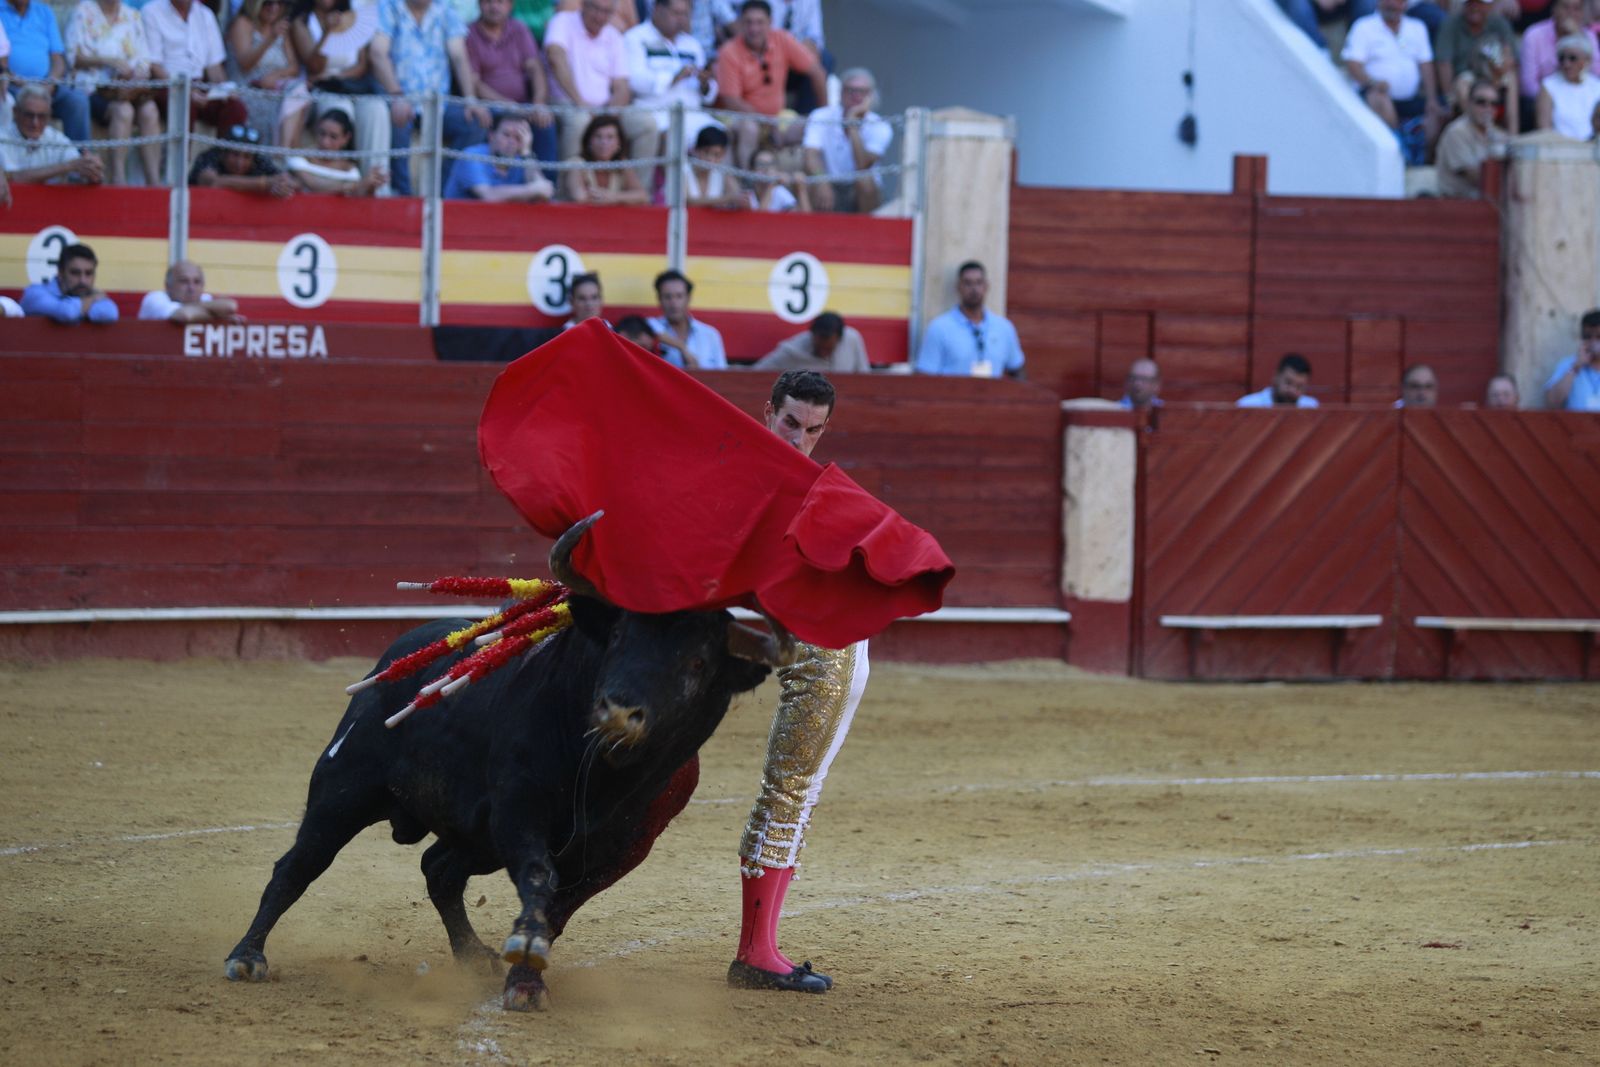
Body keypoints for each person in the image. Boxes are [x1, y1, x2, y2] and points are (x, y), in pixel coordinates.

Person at [727, 368, 863, 996]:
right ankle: (757, 954)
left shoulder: (814, 484)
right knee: (788, 795)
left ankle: (763, 947)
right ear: (767, 413)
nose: (798, 439)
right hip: (815, 660)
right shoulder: (750, 479)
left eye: (812, 430)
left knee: (798, 796)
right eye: (789, 423)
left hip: (835, 657)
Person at [369, 0, 491, 195]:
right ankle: (404, 195)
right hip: (399, 97)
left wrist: (470, 99)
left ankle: (442, 192)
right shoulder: (389, 6)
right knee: (399, 121)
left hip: (438, 104)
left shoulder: (445, 9)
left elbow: (459, 56)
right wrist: (397, 95)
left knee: (476, 123)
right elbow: (377, 53)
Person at [281, 0, 390, 182]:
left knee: (376, 109)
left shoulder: (355, 17)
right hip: (320, 91)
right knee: (340, 108)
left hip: (349, 86)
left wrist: (337, 78)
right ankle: (338, 181)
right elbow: (314, 67)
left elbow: (361, 65)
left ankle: (376, 183)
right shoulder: (302, 22)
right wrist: (327, 33)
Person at [715, 0, 825, 167]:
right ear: (741, 24)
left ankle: (794, 185)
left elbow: (817, 72)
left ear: (770, 23)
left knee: (811, 127)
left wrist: (825, 114)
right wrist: (767, 123)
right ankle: (749, 184)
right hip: (738, 118)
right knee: (749, 128)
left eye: (760, 22)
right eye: (748, 22)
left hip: (775, 118)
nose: (754, 29)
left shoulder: (781, 38)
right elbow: (732, 101)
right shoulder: (729, 51)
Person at [65, 0, 164, 185]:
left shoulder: (132, 15)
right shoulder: (82, 11)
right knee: (123, 111)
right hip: (93, 88)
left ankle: (154, 181)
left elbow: (144, 61)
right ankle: (119, 179)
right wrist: (107, 61)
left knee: (150, 110)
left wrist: (136, 77)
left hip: (129, 88)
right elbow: (73, 57)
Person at [542, 0, 651, 161]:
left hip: (605, 110)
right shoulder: (562, 21)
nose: (600, 16)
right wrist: (581, 103)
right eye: (596, 9)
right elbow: (556, 59)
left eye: (606, 12)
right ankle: (569, 184)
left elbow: (622, 85)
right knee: (580, 121)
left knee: (646, 125)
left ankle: (639, 186)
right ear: (584, 5)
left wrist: (609, 116)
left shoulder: (613, 35)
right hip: (567, 102)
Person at [622, 0, 718, 166]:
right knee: (674, 137)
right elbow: (635, 81)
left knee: (720, 135)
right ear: (658, 10)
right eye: (676, 13)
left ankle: (717, 192)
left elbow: (709, 94)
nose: (681, 19)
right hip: (655, 114)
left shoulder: (692, 44)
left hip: (693, 115)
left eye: (685, 14)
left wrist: (705, 83)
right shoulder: (635, 38)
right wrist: (673, 78)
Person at [465, 0, 557, 165]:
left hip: (523, 105)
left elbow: (535, 68)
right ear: (478, 4)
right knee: (479, 122)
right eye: (488, 2)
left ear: (510, 5)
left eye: (500, 2)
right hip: (490, 106)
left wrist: (538, 103)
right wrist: (506, 104)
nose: (494, 6)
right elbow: (475, 82)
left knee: (545, 122)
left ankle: (547, 186)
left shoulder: (519, 29)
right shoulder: (469, 33)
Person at [141, 0, 251, 135]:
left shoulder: (206, 15)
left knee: (235, 108)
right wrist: (186, 90)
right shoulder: (152, 11)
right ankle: (184, 156)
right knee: (184, 105)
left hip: (200, 86)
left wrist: (224, 90)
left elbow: (214, 66)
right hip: (168, 85)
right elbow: (154, 66)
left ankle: (223, 155)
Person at [1342, 0, 1443, 137]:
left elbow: (1426, 65)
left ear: (1405, 4)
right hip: (1377, 95)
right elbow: (1353, 64)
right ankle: (1398, 145)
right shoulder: (1364, 26)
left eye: (1399, 1)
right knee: (1378, 98)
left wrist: (1432, 98)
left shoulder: (1417, 27)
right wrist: (1373, 82)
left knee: (1435, 112)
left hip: (1410, 98)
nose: (1393, 5)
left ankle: (1424, 155)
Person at [913, 260, 1025, 379]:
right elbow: (924, 377)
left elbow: (1018, 370)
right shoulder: (939, 328)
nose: (974, 289)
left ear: (986, 286)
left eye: (978, 283)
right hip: (952, 396)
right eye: (968, 283)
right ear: (958, 287)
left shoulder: (1004, 328)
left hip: (992, 396)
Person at [801, 66, 890, 214]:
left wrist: (853, 125)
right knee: (809, 179)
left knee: (865, 181)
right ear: (841, 92)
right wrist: (821, 180)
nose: (856, 96)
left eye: (862, 92)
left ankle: (866, 232)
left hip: (859, 190)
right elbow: (810, 155)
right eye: (851, 90)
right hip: (828, 182)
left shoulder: (881, 126)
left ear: (871, 96)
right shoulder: (820, 116)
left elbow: (863, 166)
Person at [1, 0, 92, 142]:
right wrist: (16, 80)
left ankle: (81, 159)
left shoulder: (44, 11)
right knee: (8, 102)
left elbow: (58, 59)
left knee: (77, 101)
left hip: (46, 85)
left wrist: (49, 84)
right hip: (13, 86)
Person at [1, 83, 105, 184]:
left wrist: (91, 168)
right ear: (15, 112)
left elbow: (78, 165)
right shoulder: (3, 137)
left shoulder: (55, 138)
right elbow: (10, 178)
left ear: (49, 116)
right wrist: (68, 166)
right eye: (29, 115)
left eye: (41, 116)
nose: (35, 123)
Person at [1436, 0, 1519, 127]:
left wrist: (1500, 69)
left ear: (1490, 6)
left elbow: (1511, 58)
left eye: (1480, 3)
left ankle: (1513, 135)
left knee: (1511, 78)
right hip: (1466, 77)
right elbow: (1444, 63)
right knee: (1462, 84)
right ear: (1463, 5)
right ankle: (1478, 133)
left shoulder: (1499, 23)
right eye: (1470, 3)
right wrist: (1449, 98)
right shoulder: (1450, 24)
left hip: (1494, 73)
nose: (1475, 7)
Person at [227, 0, 300, 140]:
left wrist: (275, 76)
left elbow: (294, 67)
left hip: (274, 88)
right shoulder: (243, 23)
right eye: (268, 3)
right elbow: (245, 63)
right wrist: (270, 38)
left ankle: (284, 153)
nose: (274, 8)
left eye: (279, 3)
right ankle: (281, 154)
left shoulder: (281, 29)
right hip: (247, 88)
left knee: (299, 95)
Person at [441, 109, 552, 199]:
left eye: (518, 137)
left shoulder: (521, 159)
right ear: (491, 136)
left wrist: (526, 152)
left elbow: (545, 191)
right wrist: (532, 190)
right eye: (506, 135)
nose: (511, 141)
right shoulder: (472, 156)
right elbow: (489, 195)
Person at [285, 106, 387, 192]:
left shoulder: (350, 169)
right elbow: (314, 185)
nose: (325, 142)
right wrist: (356, 185)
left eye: (333, 137)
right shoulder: (299, 158)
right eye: (322, 133)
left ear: (346, 138)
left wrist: (371, 186)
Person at [1436, 77, 1508, 199]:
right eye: (1481, 102)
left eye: (1494, 104)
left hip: (1489, 204)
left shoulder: (1500, 135)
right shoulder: (1457, 132)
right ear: (1469, 103)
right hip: (1458, 205)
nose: (1488, 108)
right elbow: (1473, 176)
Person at [1519, 0, 1599, 106]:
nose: (1571, 13)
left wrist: (1578, 37)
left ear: (1582, 12)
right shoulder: (1534, 35)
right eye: (1565, 7)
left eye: (1576, 9)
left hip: (1582, 102)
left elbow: (1597, 77)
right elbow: (1528, 86)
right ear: (1554, 9)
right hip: (1544, 104)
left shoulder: (1588, 37)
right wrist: (1557, 102)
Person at [188, 121, 296, 196]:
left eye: (247, 157)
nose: (240, 163)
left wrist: (282, 186)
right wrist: (265, 183)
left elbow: (289, 181)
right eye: (235, 155)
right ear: (224, 152)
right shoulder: (210, 156)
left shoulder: (259, 160)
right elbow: (212, 182)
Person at [647, 268, 727, 369]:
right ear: (659, 299)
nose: (673, 303)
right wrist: (682, 347)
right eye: (667, 297)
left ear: (688, 298)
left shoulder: (710, 335)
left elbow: (722, 375)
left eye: (679, 296)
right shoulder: (649, 327)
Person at [21, 241, 118, 323]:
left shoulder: (89, 296)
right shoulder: (35, 293)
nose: (82, 280)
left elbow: (110, 312)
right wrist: (92, 300)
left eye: (88, 273)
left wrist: (83, 306)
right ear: (60, 272)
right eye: (75, 273)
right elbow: (67, 313)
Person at [561, 112, 647, 203]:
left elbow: (643, 196)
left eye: (610, 137)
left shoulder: (622, 164)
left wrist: (614, 197)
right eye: (598, 136)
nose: (604, 142)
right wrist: (613, 197)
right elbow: (579, 197)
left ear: (619, 143)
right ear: (589, 141)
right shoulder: (576, 163)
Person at [752, 311, 870, 373]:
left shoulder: (852, 339)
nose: (823, 352)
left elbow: (864, 377)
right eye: (819, 348)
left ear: (839, 339)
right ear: (811, 335)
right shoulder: (792, 350)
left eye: (828, 349)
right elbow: (757, 372)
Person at [1536, 33, 1600, 139]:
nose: (1566, 64)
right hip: (1559, 149)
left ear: (1587, 60)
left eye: (1572, 58)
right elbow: (1544, 130)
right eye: (1562, 58)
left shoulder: (1597, 86)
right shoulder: (1548, 86)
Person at [137, 258, 241, 321]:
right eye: (184, 281)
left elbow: (231, 306)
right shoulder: (155, 299)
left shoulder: (205, 298)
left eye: (197, 282)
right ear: (168, 286)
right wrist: (217, 317)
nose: (191, 288)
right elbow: (185, 316)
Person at [1542, 308, 1600, 410]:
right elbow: (1551, 403)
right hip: (1576, 425)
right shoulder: (1569, 364)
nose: (1593, 342)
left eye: (1599, 337)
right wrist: (1576, 367)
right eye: (1587, 336)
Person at [681, 123, 744, 209]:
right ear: (695, 150)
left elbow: (737, 196)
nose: (710, 159)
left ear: (723, 155)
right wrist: (726, 199)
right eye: (706, 152)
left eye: (717, 155)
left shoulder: (723, 172)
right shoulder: (682, 169)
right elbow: (688, 201)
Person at [1238, 353, 1319, 407]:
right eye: (1288, 383)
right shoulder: (1248, 405)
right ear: (1276, 377)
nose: (1292, 390)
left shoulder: (1311, 406)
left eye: (1299, 386)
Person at [746, 145, 800, 211]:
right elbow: (759, 219)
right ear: (752, 170)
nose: (766, 169)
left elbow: (801, 218)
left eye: (770, 164)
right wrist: (771, 185)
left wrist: (801, 190)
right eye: (761, 164)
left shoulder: (779, 191)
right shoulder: (747, 196)